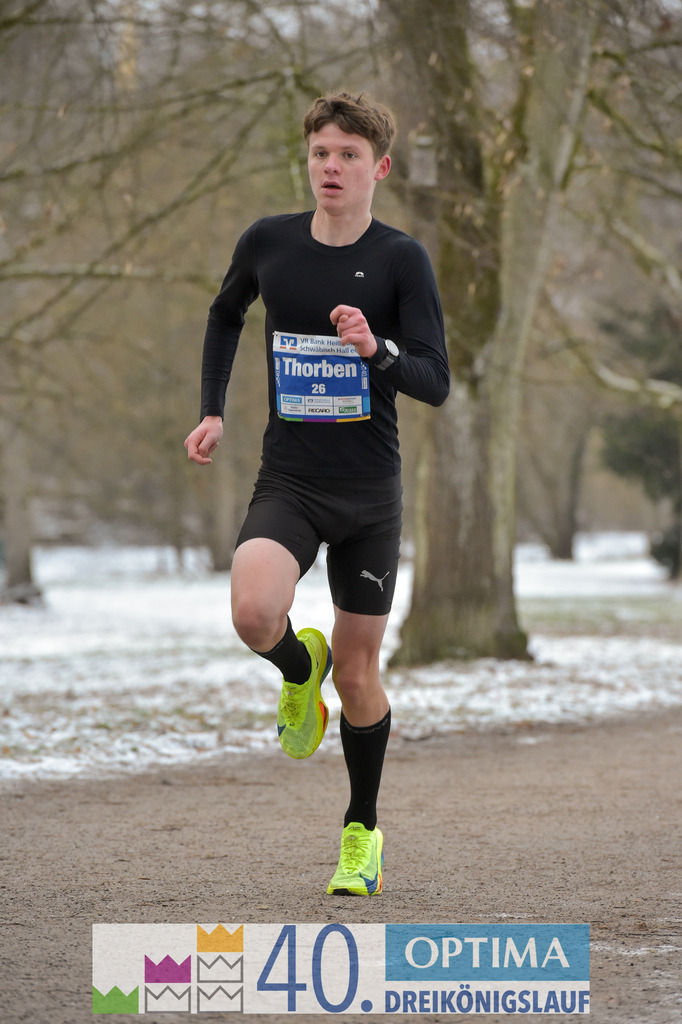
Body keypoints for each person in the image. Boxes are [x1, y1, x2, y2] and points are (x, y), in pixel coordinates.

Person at [184, 91, 449, 895]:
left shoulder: (401, 260)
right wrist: (212, 409)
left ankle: (361, 833)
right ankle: (302, 670)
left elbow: (434, 381)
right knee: (253, 613)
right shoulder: (270, 243)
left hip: (368, 491)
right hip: (290, 479)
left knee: (362, 677)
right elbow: (226, 313)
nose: (331, 168)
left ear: (380, 169)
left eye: (348, 157)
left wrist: (377, 351)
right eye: (320, 154)